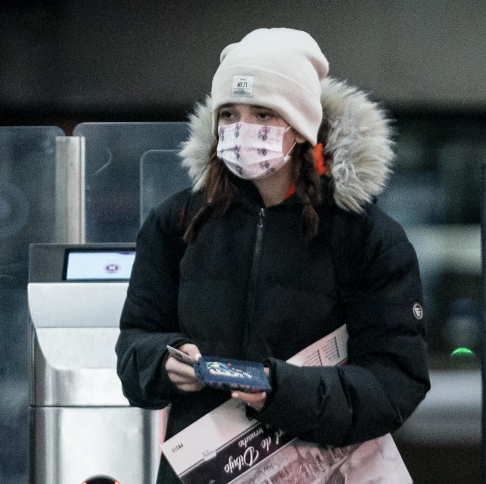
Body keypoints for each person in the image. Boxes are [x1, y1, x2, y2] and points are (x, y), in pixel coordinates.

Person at [115, 28, 431, 484]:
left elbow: (395, 382)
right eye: (229, 114)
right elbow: (134, 343)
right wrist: (162, 361)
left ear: (300, 127)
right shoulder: (179, 221)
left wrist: (279, 390)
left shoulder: (365, 235)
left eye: (263, 113)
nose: (241, 129)